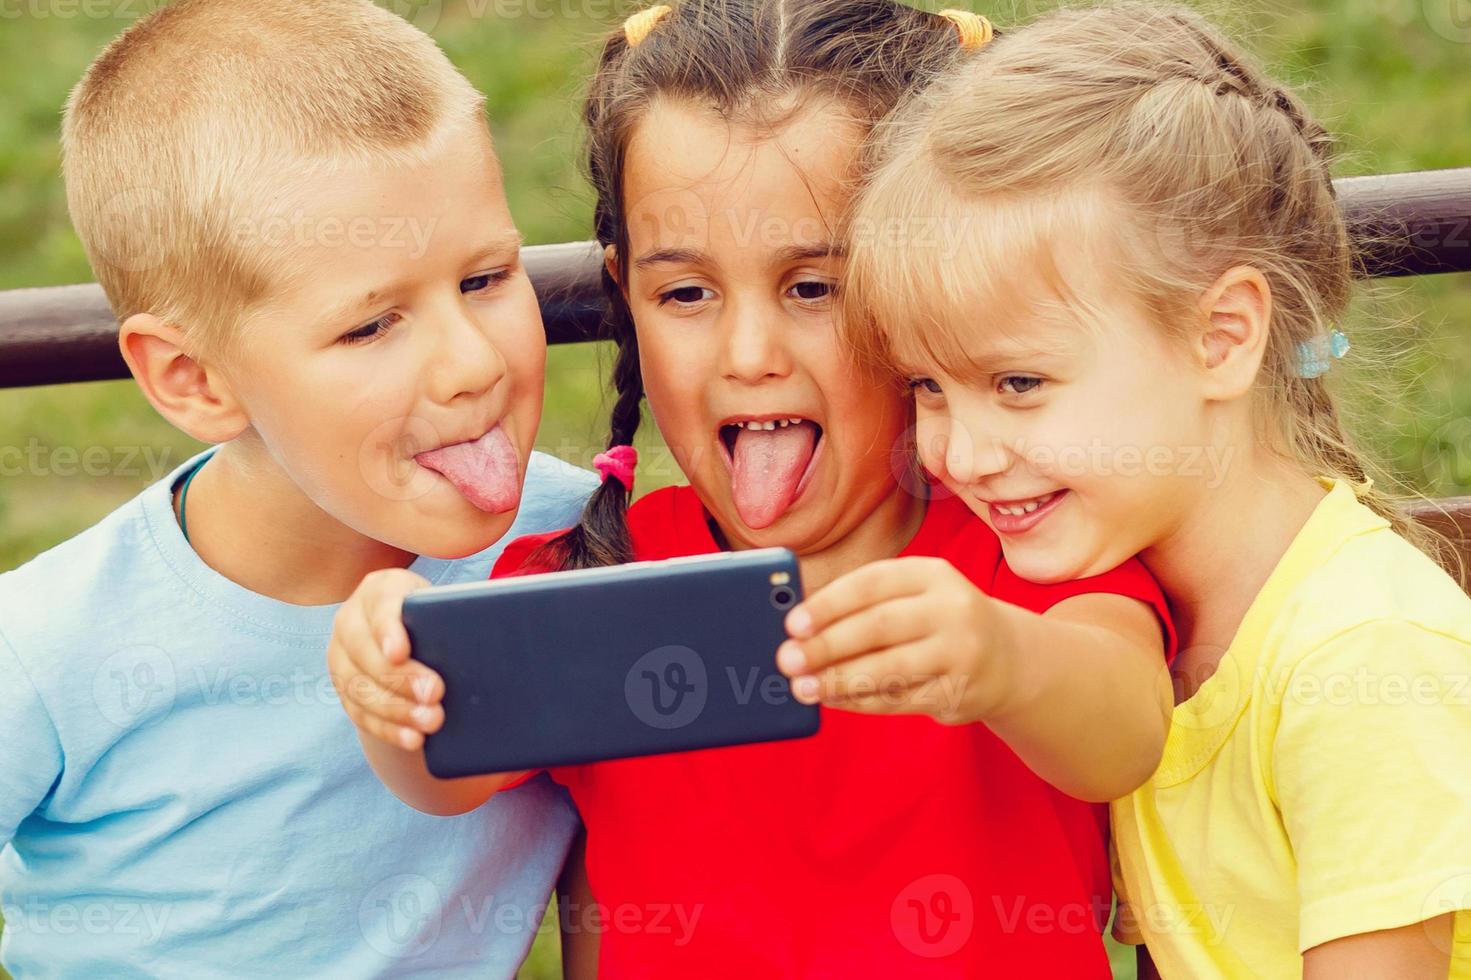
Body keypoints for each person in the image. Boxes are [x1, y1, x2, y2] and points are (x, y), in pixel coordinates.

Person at [331, 3, 1178, 974]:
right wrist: (392, 682)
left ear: (932, 286)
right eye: (685, 293)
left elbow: (1126, 729)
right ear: (627, 295)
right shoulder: (602, 577)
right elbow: (446, 775)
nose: (747, 355)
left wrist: (1003, 659)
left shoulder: (1014, 546)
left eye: (812, 286)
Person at [840, 4, 1471, 976]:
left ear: (1221, 337)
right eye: (929, 386)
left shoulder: (1359, 653)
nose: (958, 453)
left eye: (1018, 384)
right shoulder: (1153, 617)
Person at [0, 1, 596, 974]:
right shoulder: (44, 646)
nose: (468, 364)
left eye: (486, 277)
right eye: (369, 326)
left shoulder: (579, 552)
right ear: (196, 379)